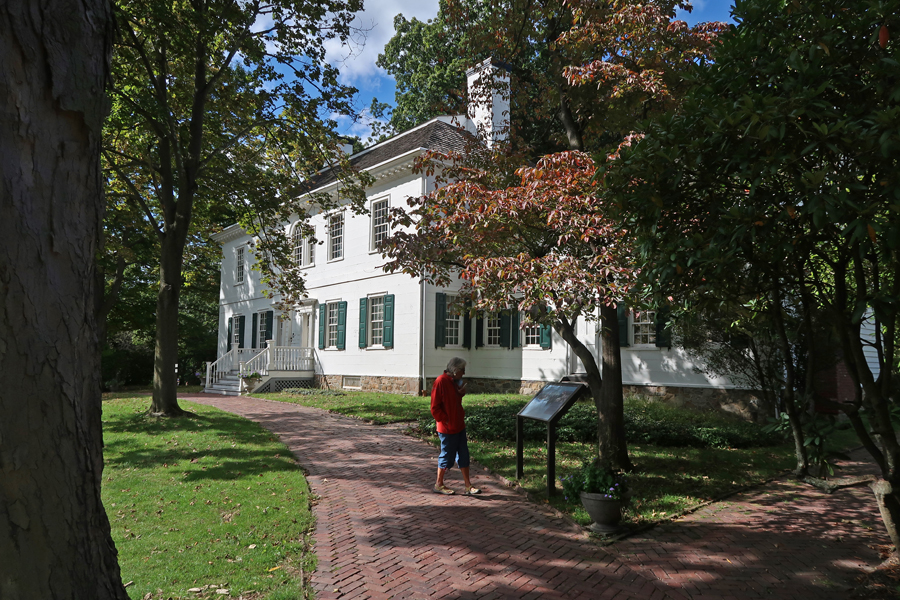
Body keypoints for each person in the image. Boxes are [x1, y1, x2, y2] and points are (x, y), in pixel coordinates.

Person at [431, 357, 480, 495]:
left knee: (464, 455)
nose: (464, 373)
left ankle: (468, 485)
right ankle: (439, 484)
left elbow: (453, 402)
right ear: (454, 370)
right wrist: (445, 420)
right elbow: (434, 407)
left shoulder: (454, 382)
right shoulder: (440, 381)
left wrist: (461, 394)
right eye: (462, 370)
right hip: (447, 428)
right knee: (447, 456)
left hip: (459, 425)